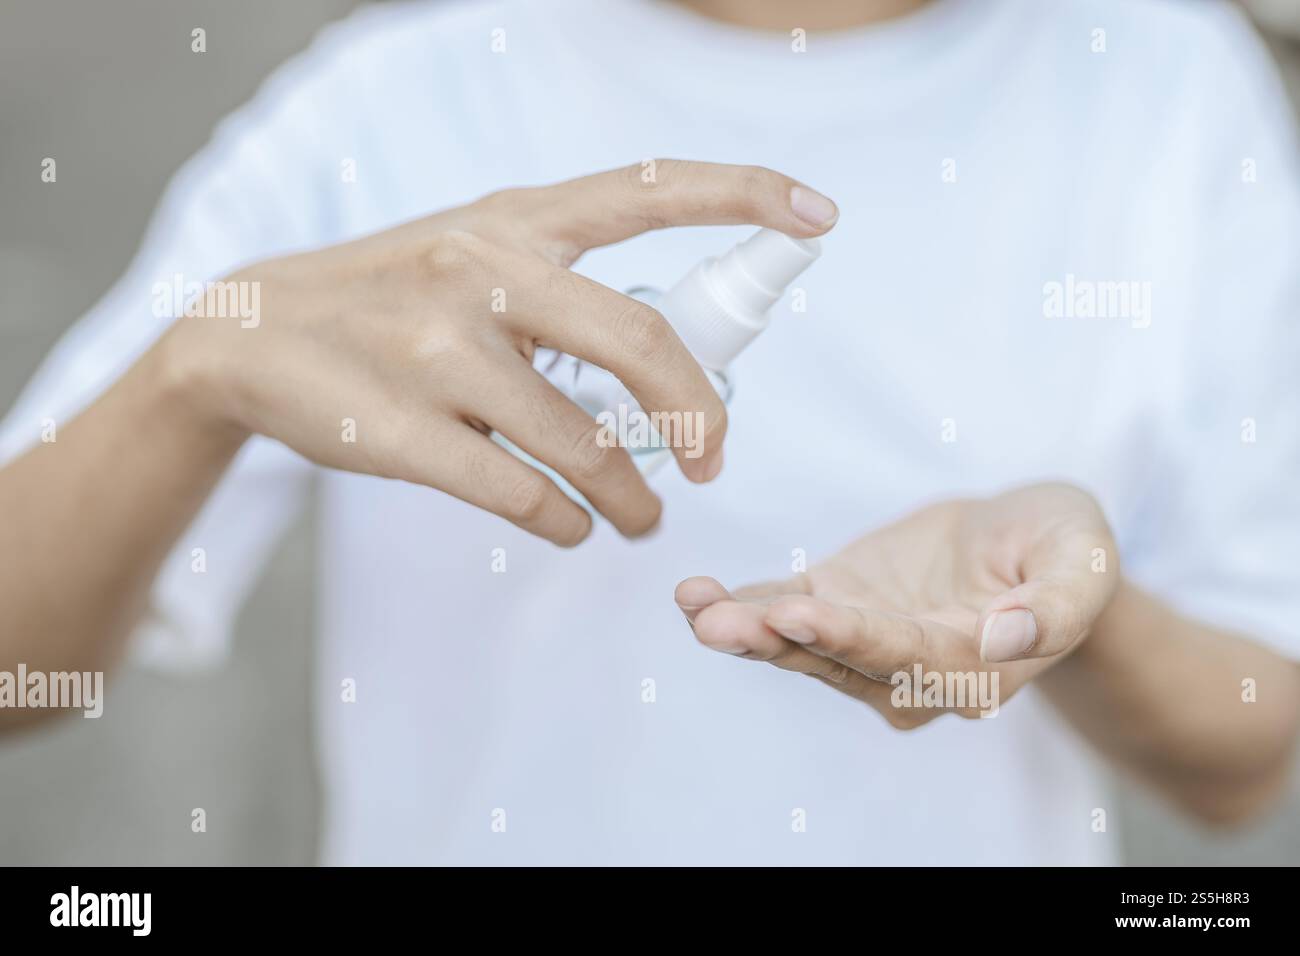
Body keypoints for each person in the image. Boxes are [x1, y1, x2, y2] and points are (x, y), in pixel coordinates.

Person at [1, 0, 1298, 865]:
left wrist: (1069, 612)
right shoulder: (402, 87)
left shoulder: (1163, 81)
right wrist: (191, 369)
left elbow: (1247, 757)